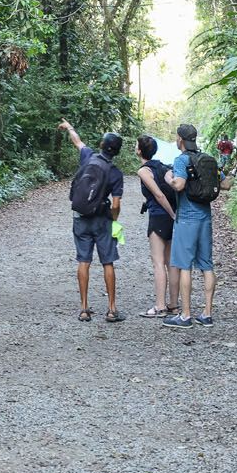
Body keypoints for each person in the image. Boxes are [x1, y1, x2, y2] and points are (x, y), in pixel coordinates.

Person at [163, 122, 235, 329]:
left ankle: (185, 315)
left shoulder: (181, 160)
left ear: (180, 139)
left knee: (185, 265)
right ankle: (207, 314)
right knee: (206, 264)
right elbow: (226, 185)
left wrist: (169, 177)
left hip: (187, 218)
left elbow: (179, 184)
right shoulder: (208, 159)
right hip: (205, 217)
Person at [58, 118, 125, 323]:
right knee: (108, 262)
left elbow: (77, 141)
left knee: (83, 261)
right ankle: (112, 309)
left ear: (102, 146)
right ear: (116, 152)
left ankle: (84, 309)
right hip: (103, 220)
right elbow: (115, 205)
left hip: (81, 218)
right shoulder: (115, 173)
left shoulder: (88, 157)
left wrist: (69, 126)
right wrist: (114, 221)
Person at [135, 135, 179, 318]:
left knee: (158, 262)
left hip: (160, 216)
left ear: (139, 150)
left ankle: (160, 306)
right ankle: (173, 305)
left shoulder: (144, 171)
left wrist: (171, 214)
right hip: (170, 217)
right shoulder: (164, 166)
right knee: (170, 262)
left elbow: (159, 195)